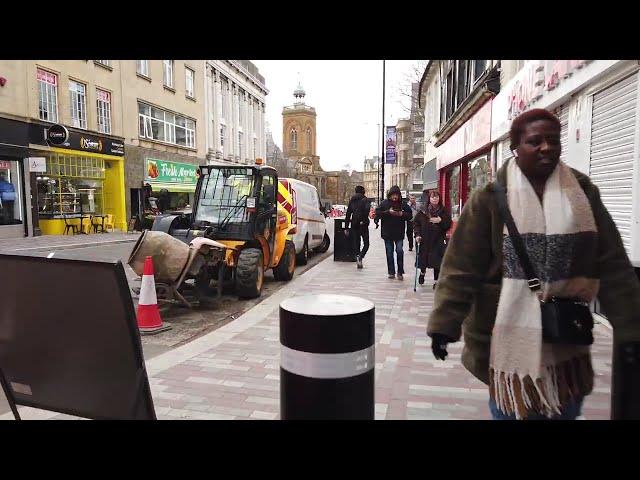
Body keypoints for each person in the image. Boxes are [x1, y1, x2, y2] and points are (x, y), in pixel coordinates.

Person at [427, 108, 640, 420]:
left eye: (553, 140)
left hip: (565, 340)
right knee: (510, 412)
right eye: (535, 141)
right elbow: (460, 269)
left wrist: (630, 329)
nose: (546, 147)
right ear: (516, 148)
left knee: (565, 407)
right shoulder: (489, 198)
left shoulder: (582, 193)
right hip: (502, 338)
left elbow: (612, 264)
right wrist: (443, 326)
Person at [413, 190, 451, 289]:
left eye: (437, 197)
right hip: (425, 239)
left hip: (438, 240)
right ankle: (422, 272)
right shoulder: (423, 212)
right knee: (424, 260)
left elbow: (448, 224)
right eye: (433, 197)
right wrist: (417, 235)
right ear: (429, 199)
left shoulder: (443, 211)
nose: (435, 199)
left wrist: (441, 221)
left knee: (437, 261)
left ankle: (436, 281)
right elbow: (416, 224)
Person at [375, 185, 412, 280]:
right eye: (393, 195)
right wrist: (388, 212)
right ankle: (391, 272)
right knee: (389, 252)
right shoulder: (384, 203)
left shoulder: (403, 204)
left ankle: (400, 271)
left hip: (399, 232)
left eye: (396, 195)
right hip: (387, 233)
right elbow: (378, 213)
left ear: (399, 195)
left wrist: (401, 214)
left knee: (399, 251)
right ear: (390, 195)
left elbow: (410, 215)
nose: (395, 197)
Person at [344, 185, 371, 269]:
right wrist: (363, 220)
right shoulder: (365, 199)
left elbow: (348, 213)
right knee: (366, 243)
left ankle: (358, 256)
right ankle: (361, 256)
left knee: (357, 242)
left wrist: (346, 227)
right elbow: (366, 211)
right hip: (363, 224)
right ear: (363, 191)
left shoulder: (352, 200)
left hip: (354, 223)